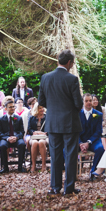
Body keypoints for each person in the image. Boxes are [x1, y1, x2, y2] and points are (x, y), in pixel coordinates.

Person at [37, 50, 83, 195]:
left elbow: (42, 101)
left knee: (55, 156)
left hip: (53, 123)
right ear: (69, 63)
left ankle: (55, 188)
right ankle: (68, 188)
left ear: (58, 61)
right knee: (70, 155)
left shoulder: (45, 78)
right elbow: (78, 104)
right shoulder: (72, 79)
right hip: (69, 123)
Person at [77, 94, 105, 176]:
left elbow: (98, 131)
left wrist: (88, 142)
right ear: (83, 102)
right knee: (66, 150)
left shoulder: (98, 114)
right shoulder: (77, 114)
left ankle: (93, 172)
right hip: (80, 141)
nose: (89, 102)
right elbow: (75, 131)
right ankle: (73, 170)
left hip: (93, 141)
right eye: (86, 101)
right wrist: (80, 143)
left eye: (90, 100)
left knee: (100, 149)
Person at [0, 98, 26, 173]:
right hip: (6, 138)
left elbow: (22, 131)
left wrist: (16, 137)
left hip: (16, 138)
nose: (12, 108)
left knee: (22, 144)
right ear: (6, 108)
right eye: (10, 107)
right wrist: (7, 138)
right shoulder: (1, 119)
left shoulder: (19, 118)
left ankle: (20, 166)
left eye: (13, 107)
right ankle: (5, 167)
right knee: (2, 146)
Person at [27, 102, 48, 173]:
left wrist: (44, 132)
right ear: (36, 109)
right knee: (35, 143)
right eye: (40, 108)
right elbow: (29, 129)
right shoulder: (32, 118)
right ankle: (33, 164)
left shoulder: (47, 117)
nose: (42, 109)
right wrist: (35, 132)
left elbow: (49, 128)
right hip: (34, 137)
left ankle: (43, 165)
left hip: (45, 137)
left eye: (42, 108)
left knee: (41, 142)